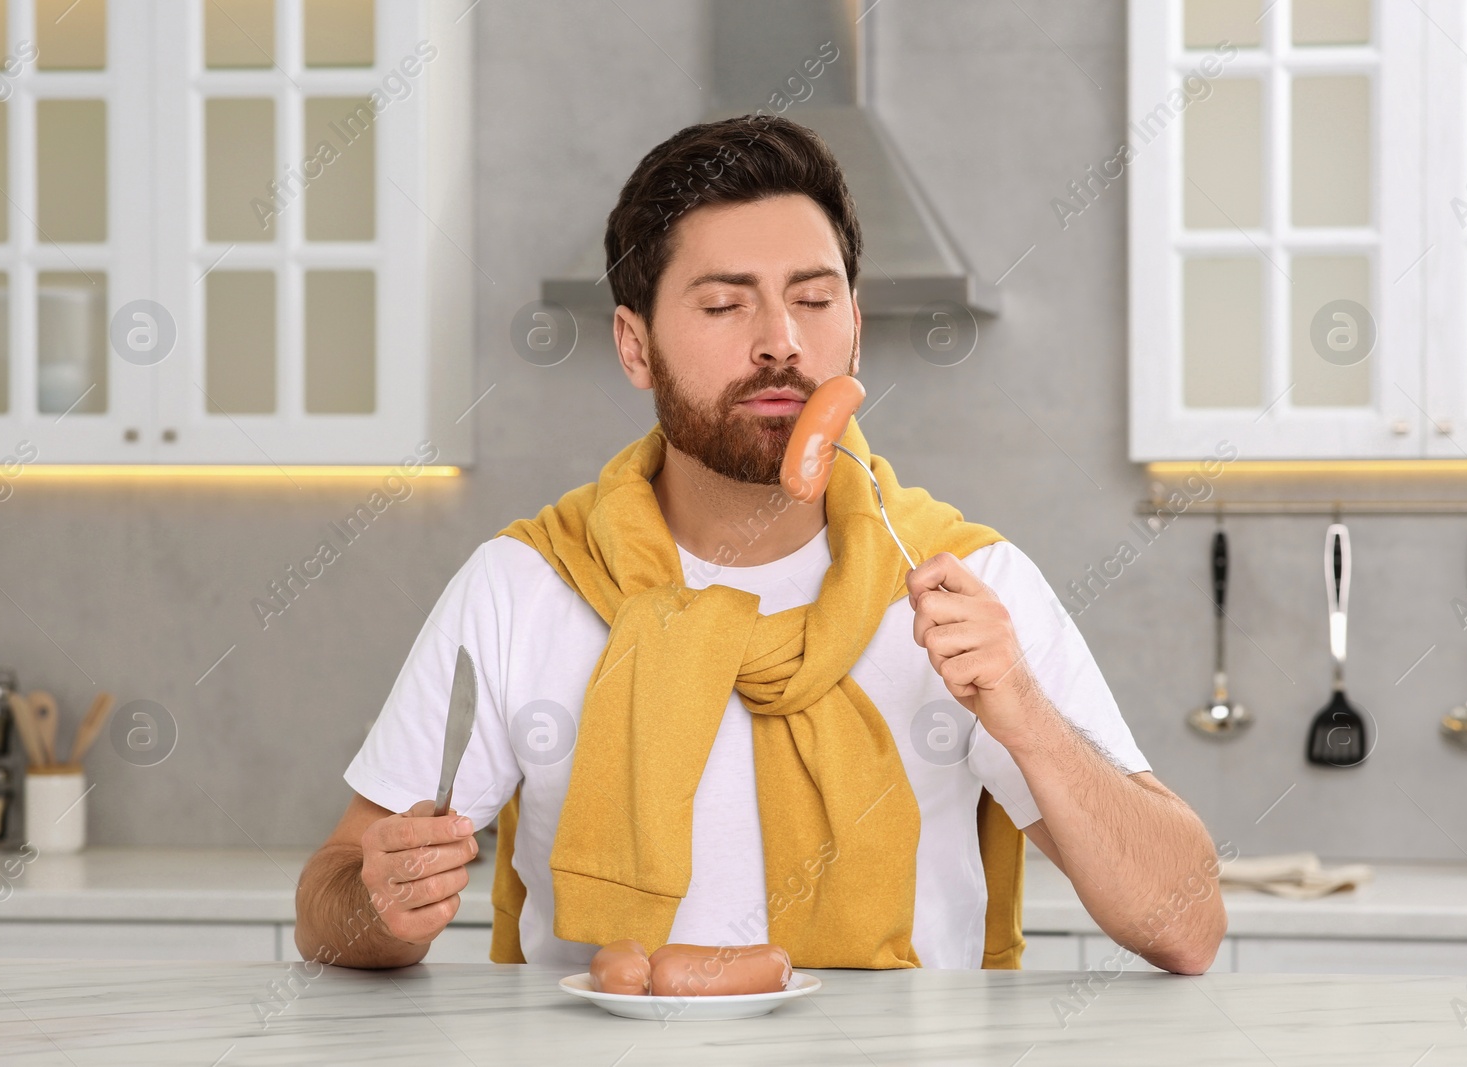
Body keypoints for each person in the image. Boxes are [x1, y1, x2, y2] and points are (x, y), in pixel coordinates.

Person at [294, 114, 1226, 974]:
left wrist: (1022, 710)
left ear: (854, 327)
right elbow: (329, 900)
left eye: (814, 300)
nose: (781, 342)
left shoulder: (968, 583)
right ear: (634, 345)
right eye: (723, 305)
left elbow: (1187, 926)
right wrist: (381, 903)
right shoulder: (526, 583)